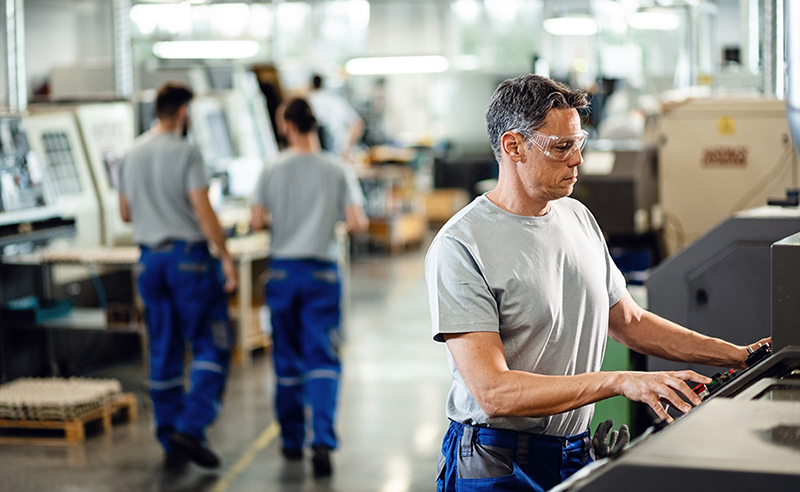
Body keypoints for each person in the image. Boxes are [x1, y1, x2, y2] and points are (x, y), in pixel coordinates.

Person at [424, 74, 770, 491]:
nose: (577, 160)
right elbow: (494, 393)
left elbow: (630, 322)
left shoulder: (577, 217)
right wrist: (620, 380)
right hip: (497, 462)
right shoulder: (462, 244)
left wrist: (733, 356)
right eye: (561, 147)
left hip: (573, 451)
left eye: (579, 143)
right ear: (513, 146)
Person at [119, 82, 237, 470]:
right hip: (189, 260)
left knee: (164, 346)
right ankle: (192, 425)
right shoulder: (188, 152)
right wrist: (225, 255)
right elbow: (203, 210)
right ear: (184, 112)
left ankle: (170, 438)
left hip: (150, 260)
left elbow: (125, 213)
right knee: (212, 343)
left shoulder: (131, 154)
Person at [250, 97, 368, 478]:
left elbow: (255, 222)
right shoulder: (335, 169)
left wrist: (286, 221)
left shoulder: (271, 168)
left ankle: (290, 439)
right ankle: (321, 440)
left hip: (283, 272)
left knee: (285, 359)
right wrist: (324, 225)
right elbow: (356, 223)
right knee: (323, 358)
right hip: (323, 273)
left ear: (286, 125)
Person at [307, 73, 365, 158]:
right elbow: (357, 124)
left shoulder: (307, 102)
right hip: (337, 156)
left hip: (314, 157)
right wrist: (346, 148)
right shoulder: (336, 101)